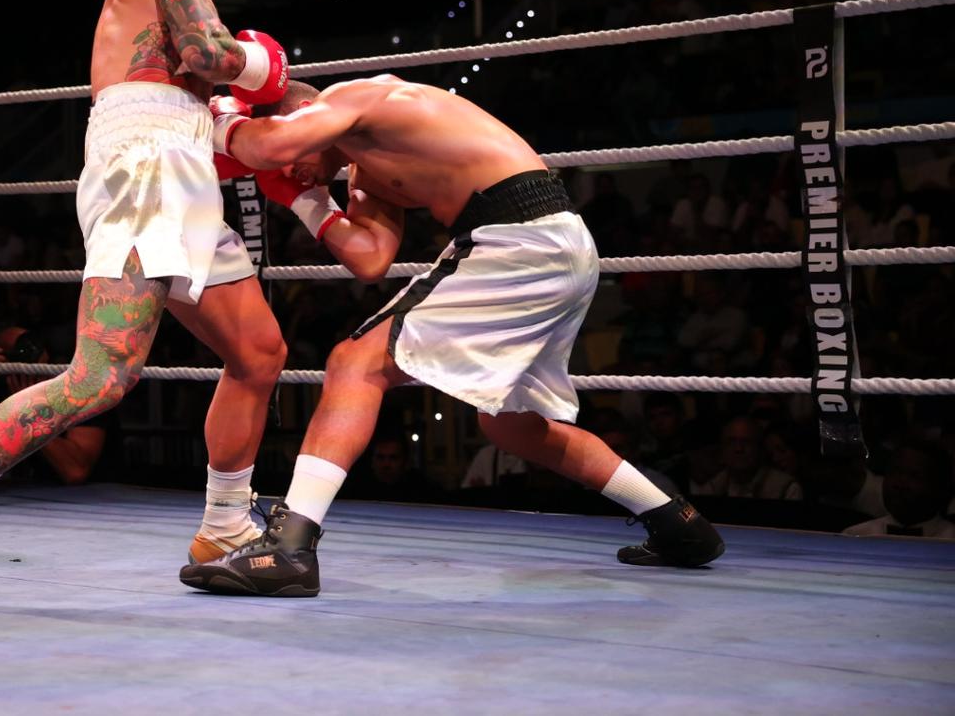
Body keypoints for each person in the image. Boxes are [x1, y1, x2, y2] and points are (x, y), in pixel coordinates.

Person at [0, 0, 291, 605]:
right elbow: (208, 51)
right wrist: (265, 66)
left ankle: (225, 525)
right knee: (101, 376)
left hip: (180, 165)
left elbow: (194, 71)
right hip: (146, 167)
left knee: (259, 352)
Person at [181, 76, 725, 597]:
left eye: (289, 165)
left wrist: (219, 120)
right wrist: (309, 202)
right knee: (513, 425)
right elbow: (370, 258)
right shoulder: (363, 170)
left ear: (303, 115)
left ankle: (290, 545)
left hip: (517, 237)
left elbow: (269, 145)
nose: (290, 173)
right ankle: (676, 521)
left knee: (356, 362)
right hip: (553, 245)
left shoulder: (360, 98)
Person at [0, 327, 118, 485]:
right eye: (15, 351)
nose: (26, 355)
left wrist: (28, 410)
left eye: (30, 346)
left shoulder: (80, 390)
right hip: (28, 491)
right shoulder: (4, 389)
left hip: (91, 494)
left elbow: (75, 471)